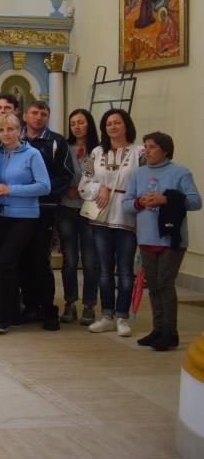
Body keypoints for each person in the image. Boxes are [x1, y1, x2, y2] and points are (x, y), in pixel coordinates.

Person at [124, 132, 201, 351]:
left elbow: (196, 201)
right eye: (145, 147)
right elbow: (127, 204)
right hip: (146, 237)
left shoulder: (180, 172)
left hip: (171, 239)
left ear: (165, 150)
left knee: (165, 284)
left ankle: (170, 332)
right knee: (154, 285)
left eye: (152, 147)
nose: (146, 151)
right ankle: (157, 329)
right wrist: (140, 201)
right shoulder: (138, 173)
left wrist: (165, 199)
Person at [79, 108, 143, 336]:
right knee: (104, 269)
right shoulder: (95, 153)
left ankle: (122, 317)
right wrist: (100, 187)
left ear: (126, 125)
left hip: (127, 217)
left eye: (117, 122)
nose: (113, 127)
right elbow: (84, 182)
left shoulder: (139, 152)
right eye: (108, 124)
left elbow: (146, 181)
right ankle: (107, 315)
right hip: (101, 217)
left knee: (125, 269)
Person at [0, 113, 50, 335]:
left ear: (19, 130)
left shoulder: (32, 154)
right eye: (1, 130)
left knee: (4, 262)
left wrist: (10, 189)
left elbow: (44, 186)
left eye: (10, 129)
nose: (6, 134)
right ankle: (12, 313)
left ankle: (2, 318)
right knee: (7, 266)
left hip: (24, 217)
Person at [20, 100, 71, 330]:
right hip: (18, 209)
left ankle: (48, 309)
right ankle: (30, 307)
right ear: (25, 115)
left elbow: (66, 175)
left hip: (45, 208)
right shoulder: (16, 139)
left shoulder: (56, 141)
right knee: (23, 259)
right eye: (34, 112)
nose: (38, 117)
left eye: (43, 113)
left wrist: (42, 189)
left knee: (41, 261)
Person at [57, 109, 100, 325]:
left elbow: (92, 176)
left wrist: (81, 191)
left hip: (89, 210)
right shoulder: (65, 147)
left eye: (81, 122)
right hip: (66, 208)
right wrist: (67, 189)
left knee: (90, 260)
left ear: (89, 124)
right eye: (73, 123)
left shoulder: (96, 150)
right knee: (70, 260)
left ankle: (89, 305)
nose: (77, 127)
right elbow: (57, 173)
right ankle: (70, 302)